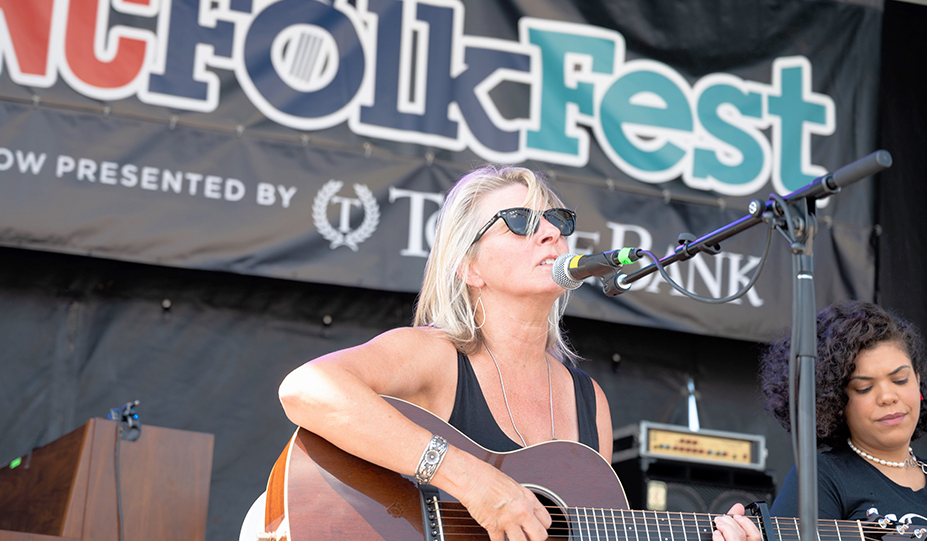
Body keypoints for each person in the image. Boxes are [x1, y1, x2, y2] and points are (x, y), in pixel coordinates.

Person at [278, 164, 762, 541]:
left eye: (556, 219)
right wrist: (471, 480)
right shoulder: (434, 355)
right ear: (470, 267)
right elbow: (306, 389)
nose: (551, 232)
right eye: (519, 221)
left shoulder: (588, 403)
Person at [761, 300, 927, 540]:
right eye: (865, 387)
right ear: (835, 402)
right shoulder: (821, 477)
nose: (888, 397)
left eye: (900, 379)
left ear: (918, 381)